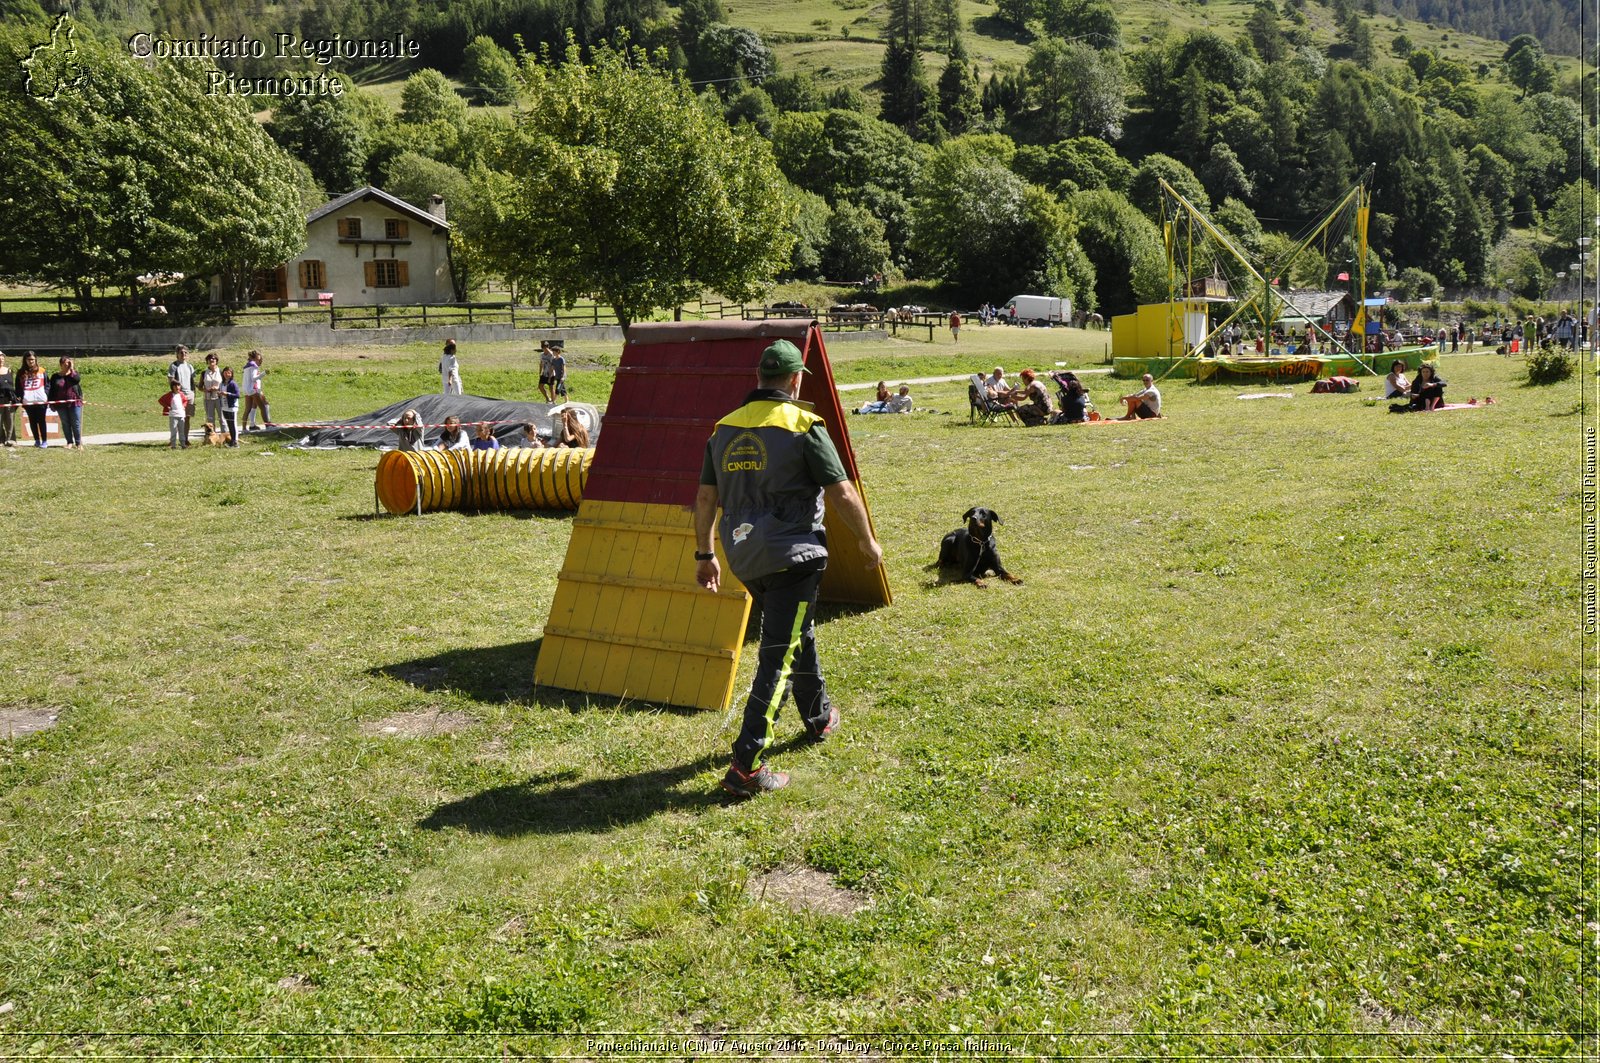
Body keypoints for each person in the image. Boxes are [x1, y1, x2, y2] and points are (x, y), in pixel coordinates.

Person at [693, 339, 884, 798]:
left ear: (758, 378)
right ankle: (747, 767)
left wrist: (705, 554)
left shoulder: (723, 429)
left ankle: (818, 717)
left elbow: (704, 499)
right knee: (777, 658)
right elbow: (841, 492)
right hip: (792, 555)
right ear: (796, 380)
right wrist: (866, 540)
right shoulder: (804, 424)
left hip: (744, 556)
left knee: (795, 631)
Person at [48, 356, 82, 450]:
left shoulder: (73, 375)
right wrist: (51, 402)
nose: (67, 364)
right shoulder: (55, 376)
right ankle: (69, 442)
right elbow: (51, 390)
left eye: (68, 362)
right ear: (61, 364)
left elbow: (77, 380)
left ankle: (78, 443)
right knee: (65, 423)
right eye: (65, 363)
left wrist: (72, 369)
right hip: (61, 404)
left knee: (76, 423)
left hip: (74, 402)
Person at [17, 351, 49, 448]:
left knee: (42, 421)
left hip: (41, 401)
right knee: (32, 421)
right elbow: (18, 387)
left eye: (32, 359)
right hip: (28, 401)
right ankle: (37, 440)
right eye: (28, 359)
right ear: (25, 360)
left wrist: (46, 394)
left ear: (35, 359)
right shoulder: (21, 373)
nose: (31, 361)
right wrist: (21, 398)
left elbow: (47, 384)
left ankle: (44, 441)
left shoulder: (42, 371)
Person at [168, 345, 195, 445]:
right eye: (181, 352)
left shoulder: (190, 366)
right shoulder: (174, 365)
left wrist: (193, 393)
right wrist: (177, 392)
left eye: (185, 352)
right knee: (177, 418)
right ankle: (173, 440)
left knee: (187, 418)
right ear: (177, 354)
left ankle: (185, 439)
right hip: (178, 395)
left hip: (190, 395)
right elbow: (171, 380)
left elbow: (193, 381)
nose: (183, 354)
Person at [240, 350, 269, 431]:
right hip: (253, 390)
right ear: (254, 358)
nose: (259, 359)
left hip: (247, 390)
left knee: (247, 409)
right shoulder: (253, 365)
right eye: (258, 357)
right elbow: (253, 378)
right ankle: (268, 425)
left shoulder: (247, 366)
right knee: (263, 407)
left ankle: (244, 428)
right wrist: (264, 373)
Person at [158, 380, 190, 449]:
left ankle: (183, 444)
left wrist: (184, 406)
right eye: (175, 386)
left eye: (178, 385)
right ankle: (173, 445)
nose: (177, 387)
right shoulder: (169, 395)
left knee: (181, 431)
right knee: (173, 431)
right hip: (173, 415)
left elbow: (185, 401)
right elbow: (161, 400)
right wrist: (167, 406)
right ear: (172, 387)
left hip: (181, 415)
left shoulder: (181, 394)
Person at [199, 353, 223, 436]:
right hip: (208, 399)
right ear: (207, 361)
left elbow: (226, 384)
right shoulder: (203, 373)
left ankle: (224, 434)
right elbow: (199, 387)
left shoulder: (221, 372)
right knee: (210, 418)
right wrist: (205, 390)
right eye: (209, 359)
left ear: (216, 361)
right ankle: (211, 435)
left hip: (219, 398)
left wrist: (218, 388)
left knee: (222, 417)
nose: (212, 360)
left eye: (213, 358)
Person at [220, 367, 240, 447]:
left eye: (229, 373)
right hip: (224, 406)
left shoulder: (233, 383)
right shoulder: (222, 383)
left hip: (232, 406)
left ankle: (235, 441)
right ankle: (232, 440)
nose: (227, 374)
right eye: (225, 373)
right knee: (229, 424)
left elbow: (237, 395)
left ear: (231, 374)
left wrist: (227, 394)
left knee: (233, 424)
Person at [0, 352, 15, 447]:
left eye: (2, 358)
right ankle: (1, 440)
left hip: (9, 398)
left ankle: (11, 440)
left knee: (10, 420)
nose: (1, 360)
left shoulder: (9, 370)